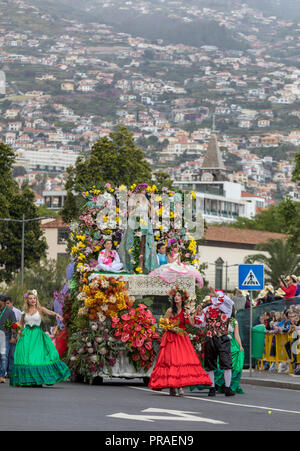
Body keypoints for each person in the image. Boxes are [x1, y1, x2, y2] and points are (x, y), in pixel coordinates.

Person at [148, 288, 212, 397]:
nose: (176, 297)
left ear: (182, 298)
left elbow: (191, 323)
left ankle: (180, 386)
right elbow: (163, 325)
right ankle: (173, 386)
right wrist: (172, 328)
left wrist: (196, 313)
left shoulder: (185, 312)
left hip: (182, 339)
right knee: (171, 362)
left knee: (181, 362)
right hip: (171, 339)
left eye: (178, 295)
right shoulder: (169, 311)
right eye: (175, 296)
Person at [10, 290, 71, 387]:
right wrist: (16, 333)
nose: (33, 300)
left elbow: (49, 312)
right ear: (27, 300)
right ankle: (28, 380)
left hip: (37, 336)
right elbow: (21, 325)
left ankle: (38, 379)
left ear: (36, 299)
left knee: (36, 357)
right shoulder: (24, 313)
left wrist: (56, 315)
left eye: (34, 298)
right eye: (30, 298)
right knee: (26, 358)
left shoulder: (40, 309)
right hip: (25, 336)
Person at [191, 306, 244, 394]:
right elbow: (199, 324)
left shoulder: (228, 316)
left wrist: (240, 345)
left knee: (224, 364)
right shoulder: (208, 311)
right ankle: (215, 387)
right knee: (213, 365)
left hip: (222, 340)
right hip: (216, 339)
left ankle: (224, 387)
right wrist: (196, 315)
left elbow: (236, 334)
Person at [194, 287, 235, 397]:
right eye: (213, 295)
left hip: (222, 338)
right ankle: (212, 388)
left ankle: (227, 387)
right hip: (210, 339)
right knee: (209, 365)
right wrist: (196, 314)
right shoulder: (206, 309)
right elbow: (200, 324)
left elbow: (231, 302)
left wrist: (217, 296)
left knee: (226, 364)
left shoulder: (226, 308)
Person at [119, 185, 159, 273]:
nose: (143, 193)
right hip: (134, 222)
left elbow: (151, 215)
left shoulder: (147, 201)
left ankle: (141, 266)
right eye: (142, 191)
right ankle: (132, 265)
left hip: (144, 223)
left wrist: (152, 203)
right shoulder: (133, 200)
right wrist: (136, 211)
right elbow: (129, 214)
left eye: (144, 191)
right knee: (132, 243)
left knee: (143, 245)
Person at [0, 295, 16, 383]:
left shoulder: (10, 312)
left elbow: (14, 325)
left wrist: (14, 336)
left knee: (4, 357)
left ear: (3, 302)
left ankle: (2, 376)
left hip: (5, 337)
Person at [5, 296, 22, 378]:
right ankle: (4, 371)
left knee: (12, 354)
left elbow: (20, 324)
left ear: (12, 303)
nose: (6, 305)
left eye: (8, 303)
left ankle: (10, 371)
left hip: (15, 335)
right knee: (5, 354)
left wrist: (17, 335)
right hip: (5, 335)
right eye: (5, 303)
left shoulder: (18, 312)